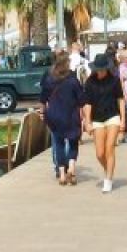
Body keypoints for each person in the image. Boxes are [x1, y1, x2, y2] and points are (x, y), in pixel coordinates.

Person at [40, 53, 86, 186]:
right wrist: (83, 115)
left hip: (54, 116)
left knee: (58, 144)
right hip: (71, 115)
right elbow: (81, 100)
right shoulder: (72, 80)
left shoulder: (49, 79)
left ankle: (61, 174)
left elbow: (42, 99)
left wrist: (43, 113)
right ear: (67, 64)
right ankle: (71, 169)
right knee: (73, 142)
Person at [84, 51, 127, 193]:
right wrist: (87, 122)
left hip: (112, 116)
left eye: (102, 69)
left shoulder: (114, 80)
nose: (100, 72)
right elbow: (88, 103)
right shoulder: (90, 82)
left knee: (109, 148)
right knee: (99, 153)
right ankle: (108, 169)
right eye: (98, 69)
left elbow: (120, 99)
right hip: (97, 118)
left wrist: (123, 120)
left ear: (107, 68)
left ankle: (108, 179)